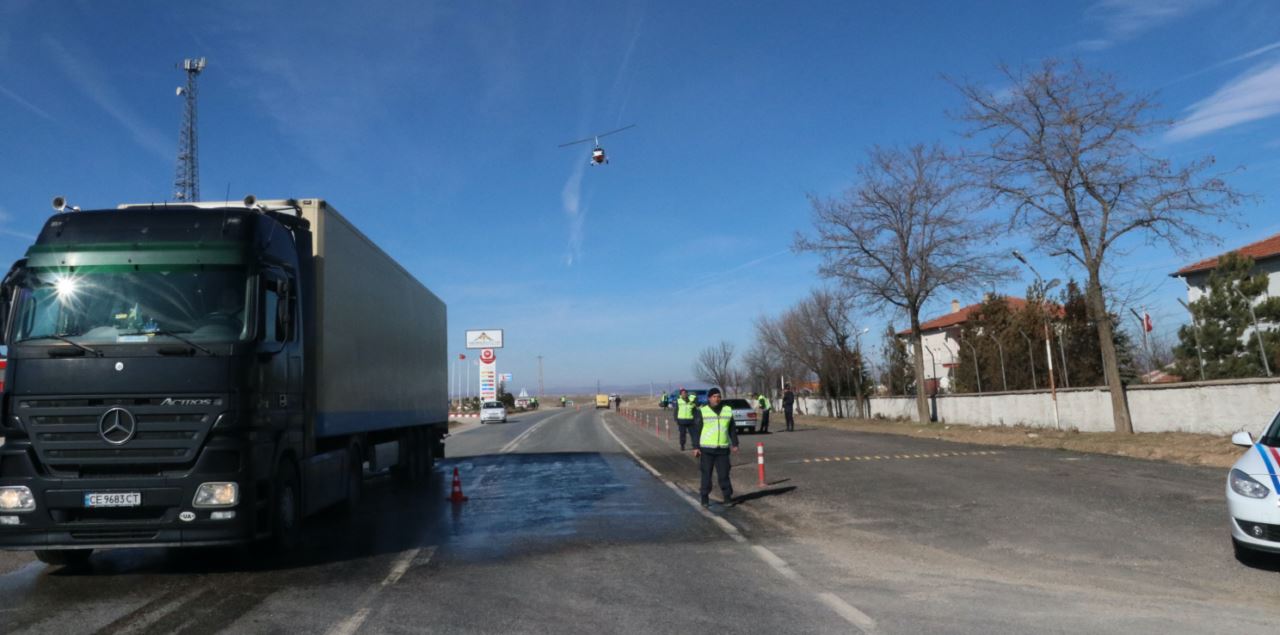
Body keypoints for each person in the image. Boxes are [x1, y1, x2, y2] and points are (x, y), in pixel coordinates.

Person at [692, 388, 738, 507]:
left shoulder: (727, 410)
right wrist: (696, 447)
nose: (716, 399)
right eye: (714, 396)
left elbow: (732, 428)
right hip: (707, 449)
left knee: (724, 475)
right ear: (709, 398)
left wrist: (735, 443)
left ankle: (727, 497)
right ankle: (704, 497)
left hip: (722, 449)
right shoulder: (702, 411)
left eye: (718, 396)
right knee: (706, 475)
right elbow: (696, 431)